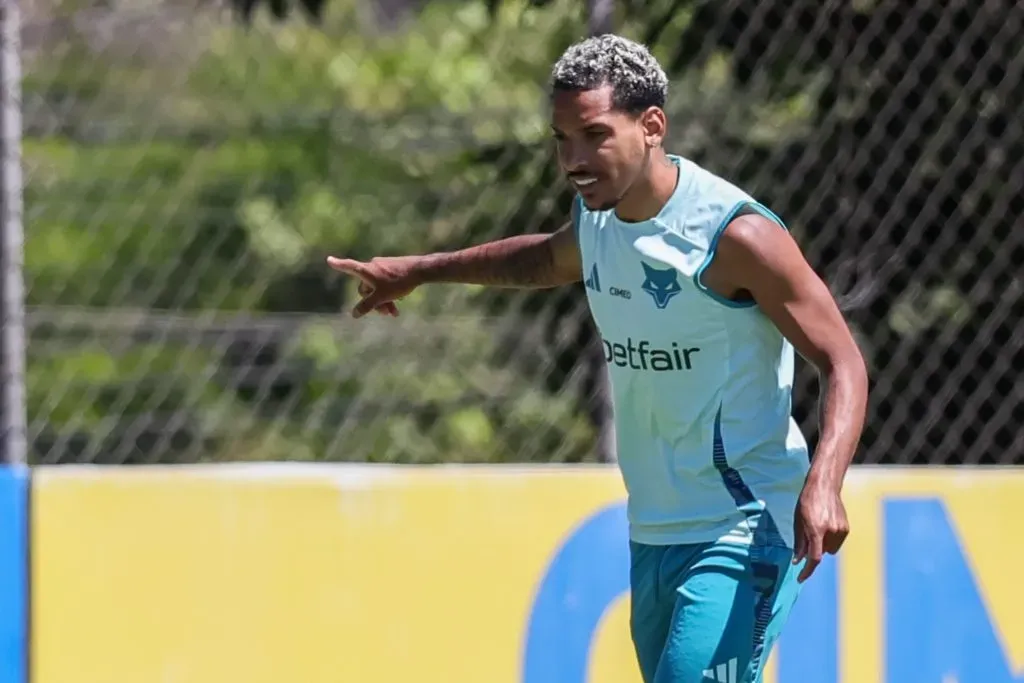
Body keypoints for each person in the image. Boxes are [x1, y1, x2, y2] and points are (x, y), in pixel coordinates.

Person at [327, 33, 868, 683]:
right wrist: (417, 271)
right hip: (655, 530)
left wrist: (826, 480)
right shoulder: (599, 225)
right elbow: (538, 259)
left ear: (652, 126)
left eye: (593, 135)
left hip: (744, 523)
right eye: (562, 140)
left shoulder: (735, 237)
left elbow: (843, 360)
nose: (574, 160)